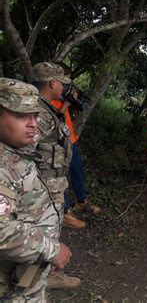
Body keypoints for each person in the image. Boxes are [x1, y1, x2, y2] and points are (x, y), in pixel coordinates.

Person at [0, 78, 72, 301]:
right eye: (22, 116)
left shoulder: (16, 148)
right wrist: (52, 250)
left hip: (23, 278)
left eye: (35, 115)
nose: (33, 124)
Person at [31, 62, 81, 289]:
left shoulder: (45, 107)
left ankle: (42, 275)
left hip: (50, 181)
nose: (64, 88)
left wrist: (66, 106)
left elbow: (52, 132)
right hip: (42, 182)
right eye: (62, 83)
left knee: (51, 227)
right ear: (52, 83)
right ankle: (38, 279)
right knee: (44, 229)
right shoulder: (37, 111)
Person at [50, 64, 102, 229]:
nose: (68, 84)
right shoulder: (46, 97)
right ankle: (65, 213)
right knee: (61, 178)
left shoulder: (61, 95)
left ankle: (81, 202)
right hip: (57, 145)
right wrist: (66, 102)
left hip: (70, 141)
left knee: (77, 171)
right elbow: (52, 122)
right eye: (65, 80)